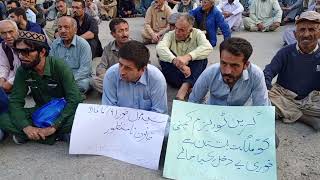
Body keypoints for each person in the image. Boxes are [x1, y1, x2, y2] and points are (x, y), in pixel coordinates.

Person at [189, 37, 279, 147]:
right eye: (223, 63)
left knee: (272, 141)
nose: (227, 71)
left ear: (246, 65)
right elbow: (193, 103)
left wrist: (262, 131)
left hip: (242, 122)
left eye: (234, 65)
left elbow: (262, 110)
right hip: (213, 120)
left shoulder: (256, 75)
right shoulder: (210, 73)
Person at [3, 30, 83, 145]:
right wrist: (26, 127)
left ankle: (37, 135)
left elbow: (74, 99)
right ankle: (55, 136)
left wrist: (54, 126)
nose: (21, 56)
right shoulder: (23, 69)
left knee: (79, 117)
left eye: (26, 52)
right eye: (18, 51)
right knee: (4, 117)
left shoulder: (60, 66)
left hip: (64, 111)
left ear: (42, 52)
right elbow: (15, 101)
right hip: (41, 111)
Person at [264, 11, 320, 130]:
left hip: (312, 100)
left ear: (319, 33)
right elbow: (268, 72)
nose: (306, 34)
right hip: (284, 96)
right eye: (302, 30)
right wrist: (266, 87)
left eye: (311, 30)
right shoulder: (286, 52)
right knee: (265, 95)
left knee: (271, 109)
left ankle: (285, 112)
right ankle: (303, 117)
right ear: (295, 34)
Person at [156, 14, 213, 100]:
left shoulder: (197, 33)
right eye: (176, 28)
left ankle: (183, 89)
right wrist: (177, 62)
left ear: (190, 30)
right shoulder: (170, 34)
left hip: (191, 70)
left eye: (182, 30)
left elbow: (208, 47)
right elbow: (160, 48)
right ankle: (190, 84)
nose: (177, 32)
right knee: (164, 58)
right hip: (176, 73)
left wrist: (188, 57)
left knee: (202, 59)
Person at [102, 40, 168, 114]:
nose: (121, 71)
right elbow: (109, 109)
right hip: (119, 121)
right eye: (120, 64)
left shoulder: (156, 79)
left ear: (143, 69)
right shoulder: (111, 75)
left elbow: (159, 113)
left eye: (128, 68)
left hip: (148, 123)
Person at [50, 16, 92, 94]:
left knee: (83, 85)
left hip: (78, 78)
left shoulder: (83, 44)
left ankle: (63, 91)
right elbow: (51, 65)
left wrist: (68, 80)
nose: (62, 31)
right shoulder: (55, 44)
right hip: (60, 77)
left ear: (75, 30)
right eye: (60, 28)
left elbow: (85, 69)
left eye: (66, 27)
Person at [92, 18, 129, 93]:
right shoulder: (108, 48)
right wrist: (112, 77)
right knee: (94, 81)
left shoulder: (136, 46)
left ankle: (115, 93)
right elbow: (101, 67)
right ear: (113, 34)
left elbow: (146, 67)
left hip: (130, 79)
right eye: (120, 31)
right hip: (114, 79)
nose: (125, 34)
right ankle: (123, 93)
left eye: (126, 30)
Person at [0, 20, 20, 93]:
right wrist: (2, 79)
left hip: (27, 78)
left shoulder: (26, 45)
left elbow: (27, 68)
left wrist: (10, 82)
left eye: (11, 32)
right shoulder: (3, 46)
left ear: (17, 31)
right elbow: (3, 65)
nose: (8, 36)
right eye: (3, 33)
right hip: (12, 75)